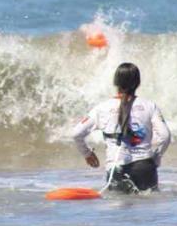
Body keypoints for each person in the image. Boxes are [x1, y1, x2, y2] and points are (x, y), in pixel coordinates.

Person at [71, 62, 171, 193]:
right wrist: (156, 157)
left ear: (116, 82)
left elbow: (76, 133)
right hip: (145, 168)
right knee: (146, 210)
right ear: (138, 83)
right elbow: (165, 136)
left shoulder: (102, 108)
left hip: (116, 169)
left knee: (119, 212)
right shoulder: (149, 106)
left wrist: (87, 154)